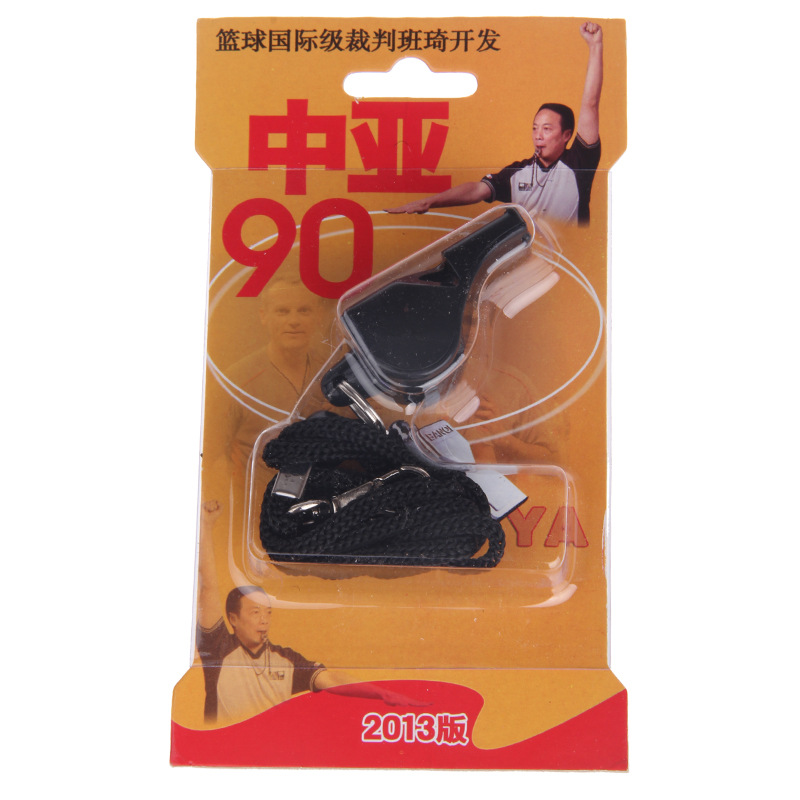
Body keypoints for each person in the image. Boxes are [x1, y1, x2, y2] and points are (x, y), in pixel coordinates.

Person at [196, 500, 425, 724]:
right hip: (223, 742)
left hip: (274, 746)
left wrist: (381, 693)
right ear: (233, 619)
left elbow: (330, 679)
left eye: (268, 612)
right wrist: (205, 525)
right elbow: (208, 588)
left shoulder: (286, 660)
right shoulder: (219, 648)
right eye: (256, 612)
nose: (264, 620)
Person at [386, 22, 604, 226]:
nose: (538, 135)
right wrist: (430, 202)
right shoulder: (517, 173)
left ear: (566, 135)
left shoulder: (579, 163)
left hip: (572, 253)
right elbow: (476, 190)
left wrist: (595, 46)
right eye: (535, 128)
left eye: (547, 129)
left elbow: (590, 104)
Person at [221, 278, 328, 473]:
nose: (294, 321)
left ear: (318, 315)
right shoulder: (236, 380)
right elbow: (215, 458)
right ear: (264, 316)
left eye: (304, 310)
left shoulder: (331, 373)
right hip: (257, 490)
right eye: (282, 311)